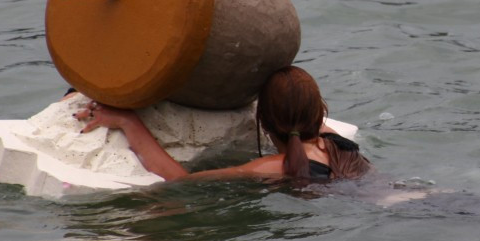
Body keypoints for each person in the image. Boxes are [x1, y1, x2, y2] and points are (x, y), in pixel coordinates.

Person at [73, 66, 372, 183]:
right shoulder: (334, 142)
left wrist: (128, 120)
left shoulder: (274, 167)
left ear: (262, 120)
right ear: (320, 113)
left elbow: (181, 180)